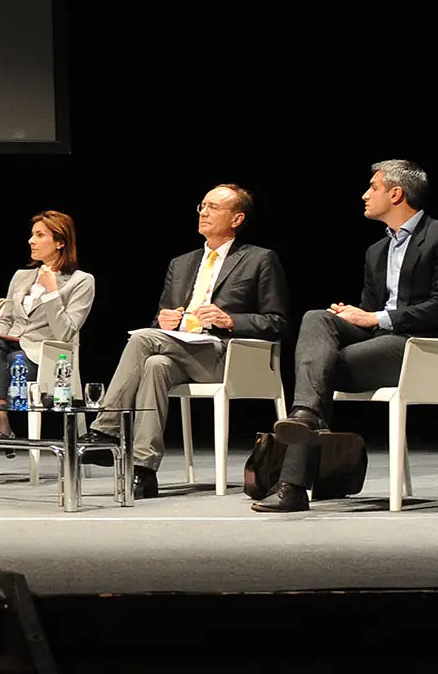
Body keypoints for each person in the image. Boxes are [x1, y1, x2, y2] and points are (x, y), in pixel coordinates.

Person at [254, 160, 438, 513]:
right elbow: (371, 314)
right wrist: (352, 316)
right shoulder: (377, 251)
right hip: (385, 343)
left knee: (317, 371)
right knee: (318, 318)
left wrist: (373, 317)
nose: (364, 194)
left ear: (396, 193)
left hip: (427, 348)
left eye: (372, 187)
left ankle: (294, 480)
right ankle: (303, 422)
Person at [81, 185, 290, 498]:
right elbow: (161, 323)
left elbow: (278, 322)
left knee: (141, 341)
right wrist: (163, 321)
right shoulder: (181, 264)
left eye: (214, 207)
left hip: (227, 356)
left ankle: (107, 429)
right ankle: (144, 470)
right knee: (154, 364)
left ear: (237, 218)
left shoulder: (259, 259)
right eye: (202, 206)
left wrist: (229, 320)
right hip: (179, 351)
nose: (204, 212)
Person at [0, 211, 95, 469]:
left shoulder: (82, 281)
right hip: (7, 347)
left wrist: (52, 293)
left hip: (44, 357)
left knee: (9, 361)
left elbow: (66, 333)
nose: (31, 241)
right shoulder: (21, 276)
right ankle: (1, 422)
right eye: (32, 234)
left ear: (60, 242)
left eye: (39, 235)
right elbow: (6, 321)